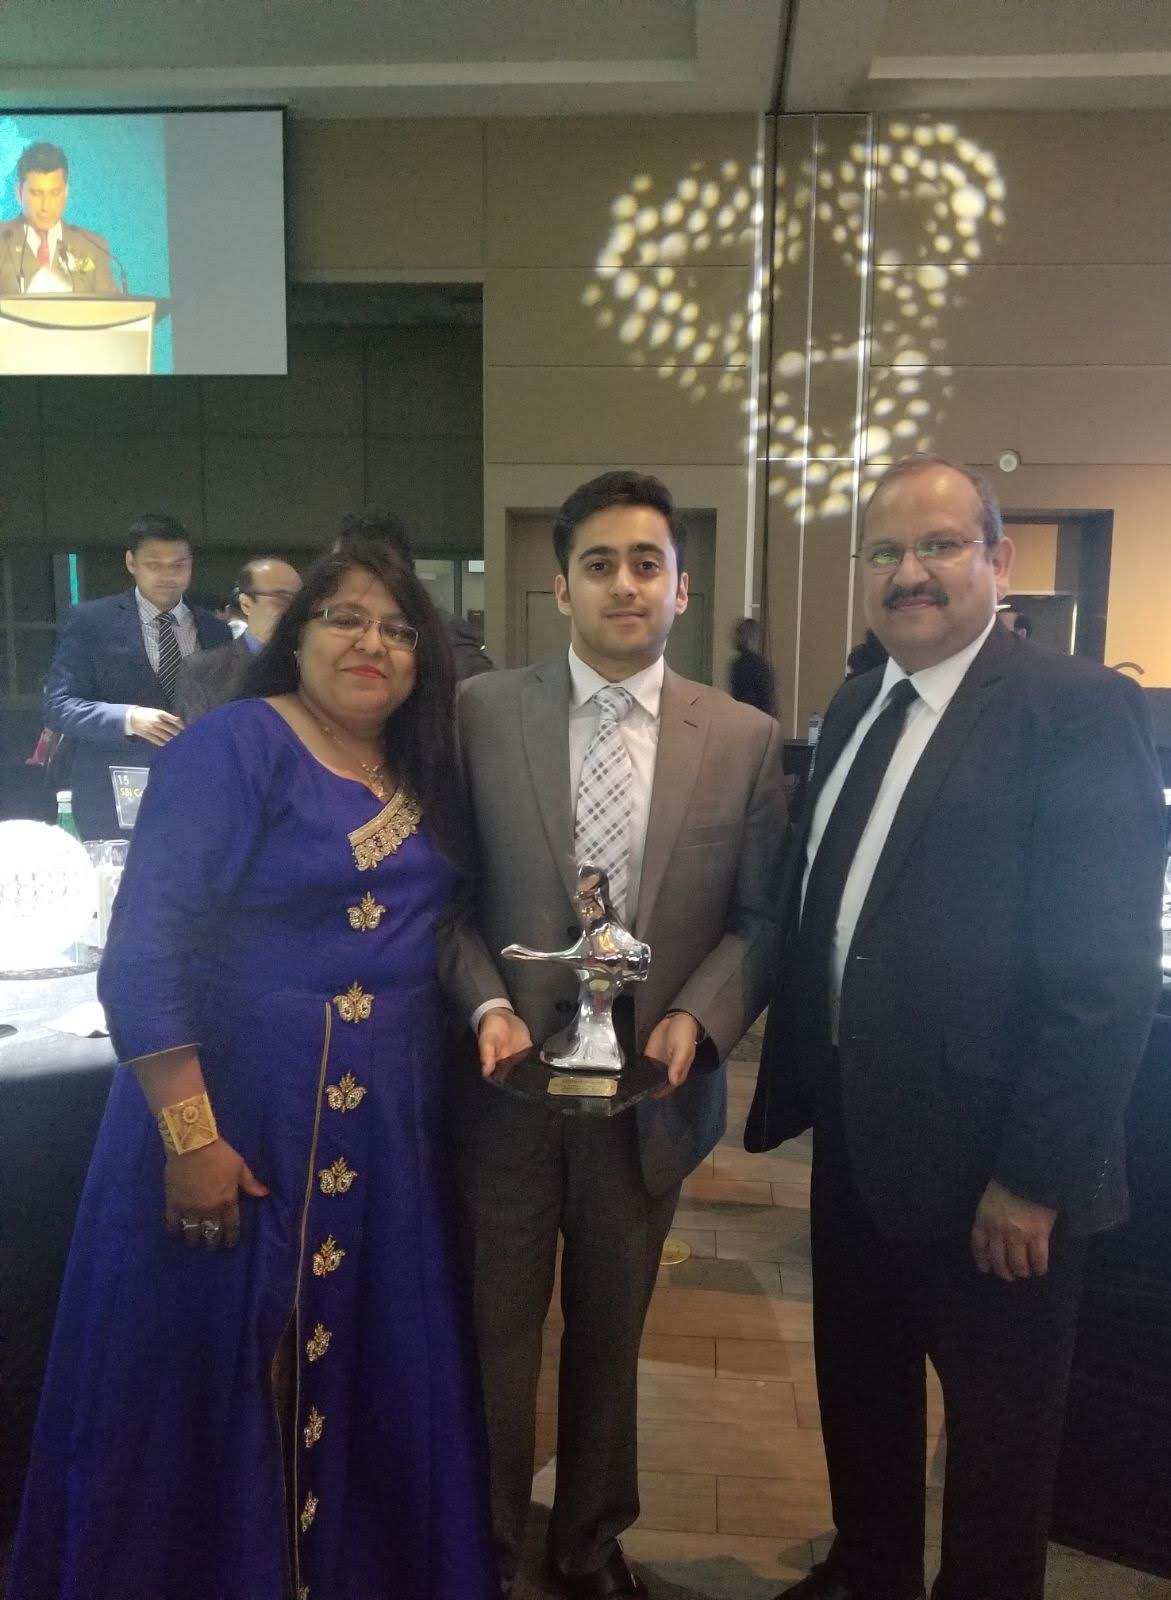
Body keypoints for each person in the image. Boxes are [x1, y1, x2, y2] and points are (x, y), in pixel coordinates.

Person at [8, 537, 497, 1600]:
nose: (373, 642)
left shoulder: (419, 767)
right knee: (224, 1382)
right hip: (244, 1126)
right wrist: (191, 1140)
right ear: (295, 631)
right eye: (345, 618)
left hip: (384, 1150)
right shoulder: (237, 748)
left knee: (376, 1382)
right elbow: (146, 952)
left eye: (398, 627)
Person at [745, 453, 1163, 1600]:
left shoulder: (1075, 709)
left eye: (939, 546)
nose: (910, 572)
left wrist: (1036, 1176)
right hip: (860, 1137)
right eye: (885, 551)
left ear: (998, 559)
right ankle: (866, 1570)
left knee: (997, 1448)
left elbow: (1103, 970)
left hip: (997, 1170)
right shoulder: (855, 703)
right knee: (862, 1393)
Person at [442, 470, 787, 1598]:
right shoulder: (481, 711)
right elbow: (439, 893)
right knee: (493, 1332)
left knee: (610, 1335)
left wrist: (700, 1013)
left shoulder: (740, 737)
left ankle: (589, 1540)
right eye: (600, 563)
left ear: (682, 588)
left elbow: (760, 918)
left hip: (645, 1091)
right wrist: (485, 999)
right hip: (504, 1086)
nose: (624, 584)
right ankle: (484, 1542)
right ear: (559, 586)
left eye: (647, 563)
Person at [42, 512, 229, 839]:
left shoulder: (216, 631)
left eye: (178, 565)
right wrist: (129, 718)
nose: (167, 576)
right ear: (131, 562)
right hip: (114, 793)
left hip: (198, 790)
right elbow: (59, 706)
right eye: (154, 564)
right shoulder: (91, 622)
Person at [333, 510, 494, 681]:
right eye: (345, 622)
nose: (371, 646)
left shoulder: (440, 631)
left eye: (397, 633)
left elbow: (484, 695)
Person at [177, 556, 302, 722]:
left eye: (300, 600)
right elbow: (197, 742)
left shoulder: (317, 668)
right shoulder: (203, 671)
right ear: (246, 604)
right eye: (282, 599)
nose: (294, 609)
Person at [0, 142, 121, 295]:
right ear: (19, 193)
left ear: (66, 192)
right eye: (36, 194)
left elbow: (112, 310)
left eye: (54, 193)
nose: (45, 206)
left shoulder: (92, 246)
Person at [730, 615, 777, 716]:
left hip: (756, 722)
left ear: (750, 637)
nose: (736, 637)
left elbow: (767, 702)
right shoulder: (737, 665)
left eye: (741, 633)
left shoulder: (760, 667)